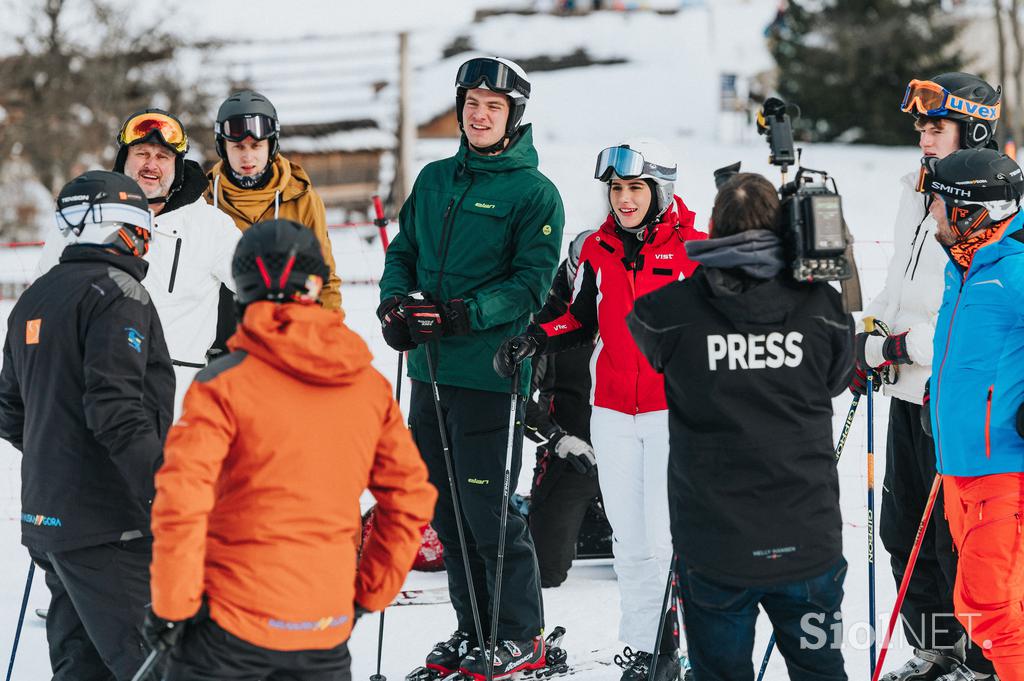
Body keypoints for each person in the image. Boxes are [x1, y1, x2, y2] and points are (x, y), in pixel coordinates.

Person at [146, 219, 437, 681]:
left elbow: (181, 502)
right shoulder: (367, 387)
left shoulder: (222, 384)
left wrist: (172, 606)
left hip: (228, 630)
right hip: (322, 627)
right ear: (317, 283)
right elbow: (410, 498)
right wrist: (367, 594)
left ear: (241, 286)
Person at [377, 56, 564, 679]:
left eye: (494, 106)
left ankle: (521, 634)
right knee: (444, 508)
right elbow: (403, 253)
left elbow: (532, 284)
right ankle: (474, 627)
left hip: (490, 373)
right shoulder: (434, 179)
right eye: (472, 104)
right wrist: (393, 306)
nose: (480, 116)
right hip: (430, 371)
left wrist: (466, 314)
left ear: (513, 117)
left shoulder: (534, 193)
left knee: (488, 511)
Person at [626, 172, 853, 681]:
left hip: (715, 548)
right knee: (823, 668)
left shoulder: (670, 313)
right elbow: (839, 376)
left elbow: (643, 324)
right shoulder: (823, 306)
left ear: (711, 228)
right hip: (808, 541)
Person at [495, 139, 704, 681]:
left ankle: (673, 646)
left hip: (669, 412)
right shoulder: (598, 250)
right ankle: (642, 648)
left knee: (663, 539)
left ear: (660, 190)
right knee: (628, 540)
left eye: (635, 188)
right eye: (616, 189)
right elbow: (579, 318)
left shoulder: (694, 250)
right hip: (610, 411)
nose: (624, 199)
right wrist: (534, 339)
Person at [0, 171, 174, 681]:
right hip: (109, 521)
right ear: (114, 228)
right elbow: (117, 409)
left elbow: (10, 410)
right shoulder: (119, 293)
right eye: (140, 231)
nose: (144, 244)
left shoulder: (35, 297)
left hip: (52, 520)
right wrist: (167, 489)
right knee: (158, 665)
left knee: (85, 668)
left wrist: (57, 459)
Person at [857, 73, 1001, 681]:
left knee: (955, 539)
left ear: (973, 131)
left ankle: (979, 656)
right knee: (903, 531)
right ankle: (937, 647)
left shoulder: (989, 203)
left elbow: (966, 314)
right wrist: (871, 333)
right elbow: (897, 283)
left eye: (936, 128)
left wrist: (900, 344)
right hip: (905, 391)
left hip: (956, 398)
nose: (923, 138)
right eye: (920, 127)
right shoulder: (913, 192)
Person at [34, 108, 241, 418]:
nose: (151, 165)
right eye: (142, 153)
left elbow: (262, 285)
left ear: (177, 165)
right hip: (95, 399)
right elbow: (41, 302)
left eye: (163, 157)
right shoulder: (83, 219)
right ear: (123, 160)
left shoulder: (211, 227)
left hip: (180, 411)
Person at [924, 148, 1024, 681]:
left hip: (1002, 470)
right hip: (961, 466)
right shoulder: (961, 269)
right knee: (981, 606)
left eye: (938, 203)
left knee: (996, 613)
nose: (932, 213)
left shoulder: (1014, 271)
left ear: (970, 211)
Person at [206, 89, 343, 354]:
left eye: (256, 146)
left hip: (288, 342)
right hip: (220, 347)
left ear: (271, 145)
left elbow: (324, 278)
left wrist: (329, 334)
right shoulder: (204, 199)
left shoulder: (302, 198)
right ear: (222, 146)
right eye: (238, 147)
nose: (247, 157)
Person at [523, 230, 610, 589]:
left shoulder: (633, 304)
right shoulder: (545, 322)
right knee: (545, 570)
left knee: (656, 562)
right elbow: (516, 400)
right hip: (573, 451)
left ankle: (601, 524)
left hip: (631, 446)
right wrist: (557, 440)